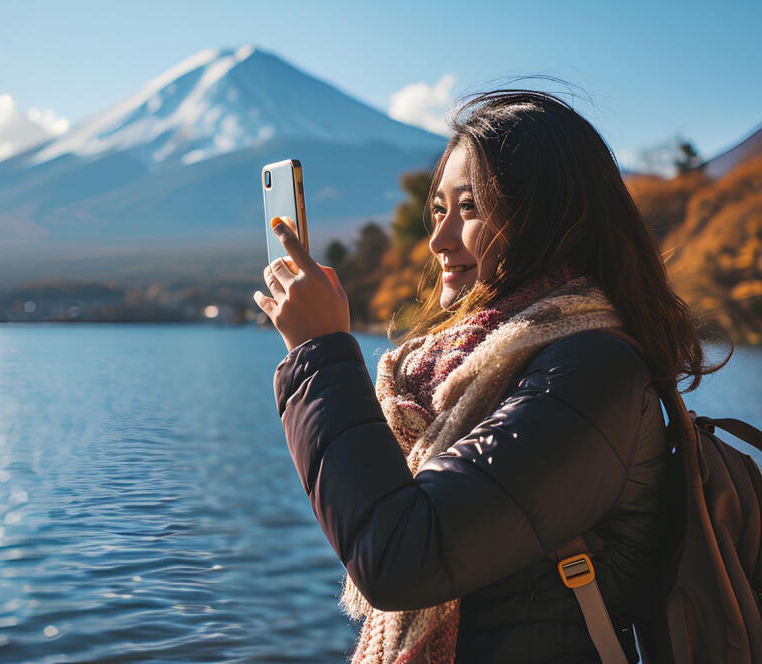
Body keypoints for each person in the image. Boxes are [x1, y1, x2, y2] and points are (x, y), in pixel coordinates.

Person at [252, 88, 731, 664]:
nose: (439, 239)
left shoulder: (592, 373)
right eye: (438, 209)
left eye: (470, 207)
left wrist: (320, 353)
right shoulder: (478, 369)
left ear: (548, 216)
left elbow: (402, 558)